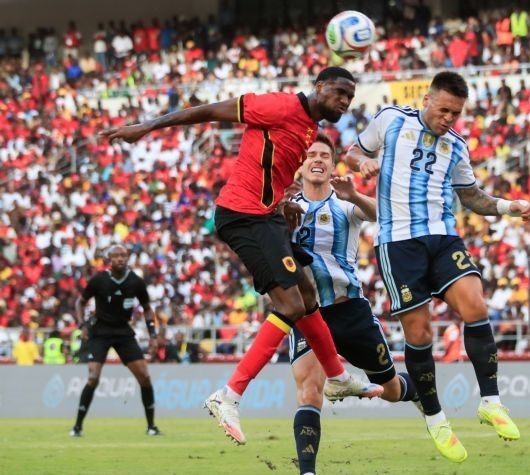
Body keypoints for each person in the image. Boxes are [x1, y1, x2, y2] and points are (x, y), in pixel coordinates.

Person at [102, 66, 383, 446]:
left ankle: (335, 376)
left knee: (307, 293)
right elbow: (208, 111)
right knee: (289, 305)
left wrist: (281, 201)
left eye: (349, 96)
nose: (344, 100)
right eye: (338, 91)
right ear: (318, 86)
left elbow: (270, 166)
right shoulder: (278, 106)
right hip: (243, 215)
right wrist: (147, 127)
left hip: (264, 216)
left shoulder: (309, 130)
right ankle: (229, 395)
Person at [345, 71, 530, 463]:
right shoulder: (391, 120)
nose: (449, 119)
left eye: (456, 113)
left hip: (442, 236)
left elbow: (472, 197)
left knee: (475, 307)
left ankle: (491, 402)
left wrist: (506, 207)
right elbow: (352, 153)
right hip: (398, 243)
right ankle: (435, 418)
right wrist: (362, 162)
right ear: (427, 99)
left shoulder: (457, 146)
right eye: (444, 109)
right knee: (420, 331)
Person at [284, 134, 420, 475]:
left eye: (324, 155)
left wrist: (355, 195)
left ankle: (417, 392)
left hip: (349, 310)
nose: (317, 159)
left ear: (331, 164)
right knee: (309, 391)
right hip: (307, 314)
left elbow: (383, 215)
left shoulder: (344, 204)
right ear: (300, 164)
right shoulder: (283, 205)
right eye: (310, 154)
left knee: (390, 389)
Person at [70, 244, 161, 437]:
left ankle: (151, 427)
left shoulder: (135, 282)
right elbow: (80, 302)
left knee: (144, 376)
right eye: (116, 256)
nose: (120, 259)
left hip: (123, 332)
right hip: (100, 331)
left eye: (123, 256)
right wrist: (82, 325)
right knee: (93, 377)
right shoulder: (99, 280)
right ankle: (77, 427)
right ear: (109, 260)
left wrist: (153, 334)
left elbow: (147, 308)